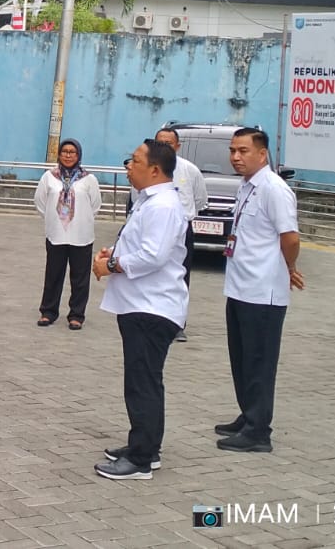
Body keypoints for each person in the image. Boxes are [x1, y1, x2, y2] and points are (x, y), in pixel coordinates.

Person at [92, 140, 189, 480]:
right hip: (141, 303)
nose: (128, 166)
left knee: (142, 383)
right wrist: (113, 252)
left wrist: (112, 265)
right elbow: (143, 247)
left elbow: (153, 257)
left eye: (134, 161)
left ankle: (141, 460)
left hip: (152, 306)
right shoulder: (150, 202)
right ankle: (145, 447)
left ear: (155, 170)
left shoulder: (162, 205)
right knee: (144, 380)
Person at [218, 128, 303, 454]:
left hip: (263, 293)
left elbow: (290, 237)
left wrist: (290, 268)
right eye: (233, 151)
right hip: (240, 287)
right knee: (241, 359)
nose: (236, 157)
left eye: (243, 151)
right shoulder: (247, 188)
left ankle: (258, 432)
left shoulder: (274, 189)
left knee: (259, 362)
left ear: (262, 154)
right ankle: (248, 414)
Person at [33, 138, 102, 330]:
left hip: (81, 234)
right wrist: (53, 219)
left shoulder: (89, 179)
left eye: (72, 152)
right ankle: (48, 312)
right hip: (56, 234)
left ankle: (77, 314)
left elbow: (95, 205)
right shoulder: (49, 177)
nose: (68, 155)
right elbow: (40, 202)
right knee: (53, 274)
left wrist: (80, 218)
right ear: (59, 154)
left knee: (80, 277)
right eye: (65, 151)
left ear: (78, 155)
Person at [153, 128, 207, 341]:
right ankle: (154, 318)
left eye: (169, 143)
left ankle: (177, 324)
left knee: (180, 277)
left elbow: (200, 200)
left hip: (182, 231)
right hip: (155, 231)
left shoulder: (189, 170)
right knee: (153, 275)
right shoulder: (148, 169)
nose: (165, 146)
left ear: (177, 146)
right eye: (160, 142)